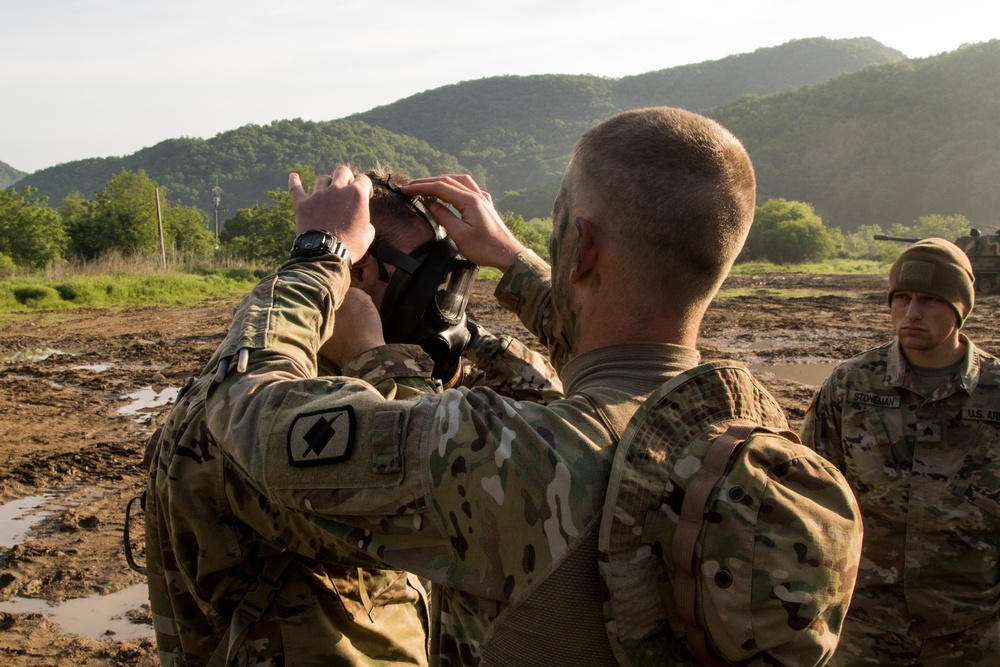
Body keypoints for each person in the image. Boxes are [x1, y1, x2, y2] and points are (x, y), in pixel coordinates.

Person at [203, 107, 861, 666]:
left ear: (586, 247)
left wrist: (323, 263)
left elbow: (247, 410)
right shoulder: (746, 428)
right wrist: (514, 262)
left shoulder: (514, 455)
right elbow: (618, 345)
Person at [144, 168, 561, 667]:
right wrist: (374, 352)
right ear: (358, 274)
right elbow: (443, 487)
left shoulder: (393, 375)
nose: (440, 298)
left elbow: (552, 419)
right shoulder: (260, 412)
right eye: (428, 280)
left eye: (450, 282)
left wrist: (463, 328)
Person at [800, 238, 1000, 665]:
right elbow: (810, 499)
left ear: (960, 308)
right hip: (864, 627)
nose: (912, 312)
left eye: (929, 300)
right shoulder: (851, 386)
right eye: (902, 298)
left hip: (973, 629)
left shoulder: (995, 392)